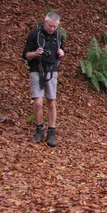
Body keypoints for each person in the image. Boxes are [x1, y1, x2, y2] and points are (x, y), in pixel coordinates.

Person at [22, 11, 65, 148]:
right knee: (38, 102)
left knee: (51, 102)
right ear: (45, 22)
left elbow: (61, 51)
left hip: (52, 71)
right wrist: (35, 54)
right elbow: (25, 55)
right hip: (37, 69)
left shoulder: (58, 36)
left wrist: (61, 53)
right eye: (50, 26)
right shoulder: (35, 35)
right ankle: (39, 129)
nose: (52, 29)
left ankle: (51, 131)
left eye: (55, 27)